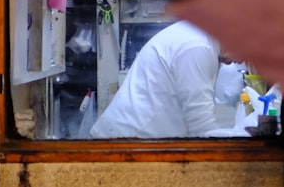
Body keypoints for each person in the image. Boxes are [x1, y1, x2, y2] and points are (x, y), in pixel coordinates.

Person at [90, 19, 233, 138]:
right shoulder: (198, 47)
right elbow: (201, 124)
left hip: (134, 137)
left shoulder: (202, 39)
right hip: (127, 140)